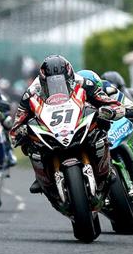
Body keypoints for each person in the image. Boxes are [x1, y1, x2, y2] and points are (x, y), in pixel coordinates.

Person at [10, 55, 125, 194]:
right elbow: (18, 122)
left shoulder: (83, 82)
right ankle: (42, 177)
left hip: (77, 120)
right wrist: (19, 132)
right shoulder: (31, 92)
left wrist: (111, 110)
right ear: (43, 81)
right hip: (49, 127)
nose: (57, 86)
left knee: (101, 126)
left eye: (61, 81)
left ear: (69, 77)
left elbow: (106, 101)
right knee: (28, 143)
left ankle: (104, 166)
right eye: (51, 82)